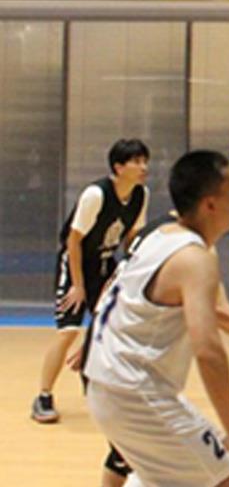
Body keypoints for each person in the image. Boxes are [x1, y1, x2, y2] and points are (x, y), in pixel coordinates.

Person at [72, 211, 229, 487]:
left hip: (109, 368)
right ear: (210, 202)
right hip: (127, 379)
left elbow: (194, 303)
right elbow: (207, 344)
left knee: (152, 465)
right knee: (224, 478)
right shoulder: (188, 251)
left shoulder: (162, 237)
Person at [84, 150, 229, 486]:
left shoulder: (161, 235)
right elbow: (208, 351)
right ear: (210, 204)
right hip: (135, 393)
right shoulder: (195, 259)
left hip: (106, 384)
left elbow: (132, 299)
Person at [31, 138, 150, 424]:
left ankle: (98, 384)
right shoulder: (96, 194)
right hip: (76, 263)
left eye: (145, 160)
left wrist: (129, 272)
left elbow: (132, 236)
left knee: (110, 328)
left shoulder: (140, 194)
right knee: (68, 332)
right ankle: (43, 396)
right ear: (118, 167)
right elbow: (73, 241)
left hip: (105, 264)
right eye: (136, 161)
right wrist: (78, 285)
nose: (144, 167)